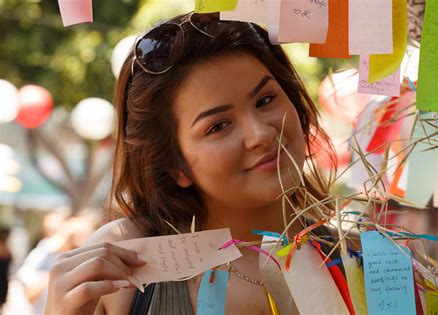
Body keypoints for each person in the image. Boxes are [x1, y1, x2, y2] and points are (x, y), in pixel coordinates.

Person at [45, 11, 337, 315]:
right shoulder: (123, 265)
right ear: (174, 165)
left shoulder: (365, 260)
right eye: (218, 126)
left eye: (265, 100)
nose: (261, 134)